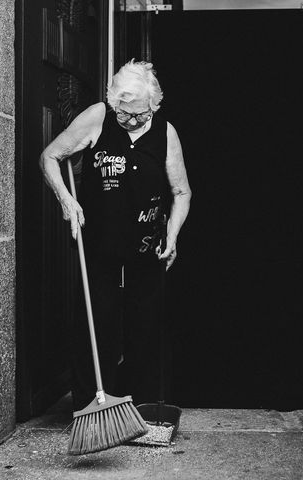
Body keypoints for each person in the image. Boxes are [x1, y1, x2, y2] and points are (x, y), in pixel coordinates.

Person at [39, 59, 192, 410]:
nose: (131, 121)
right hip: (99, 247)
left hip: (147, 249)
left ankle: (145, 408)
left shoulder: (165, 132)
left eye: (139, 114)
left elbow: (182, 193)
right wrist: (66, 200)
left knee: (146, 329)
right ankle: (89, 407)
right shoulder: (98, 117)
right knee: (96, 327)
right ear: (113, 104)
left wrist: (173, 234)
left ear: (154, 105)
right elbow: (50, 156)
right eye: (123, 113)